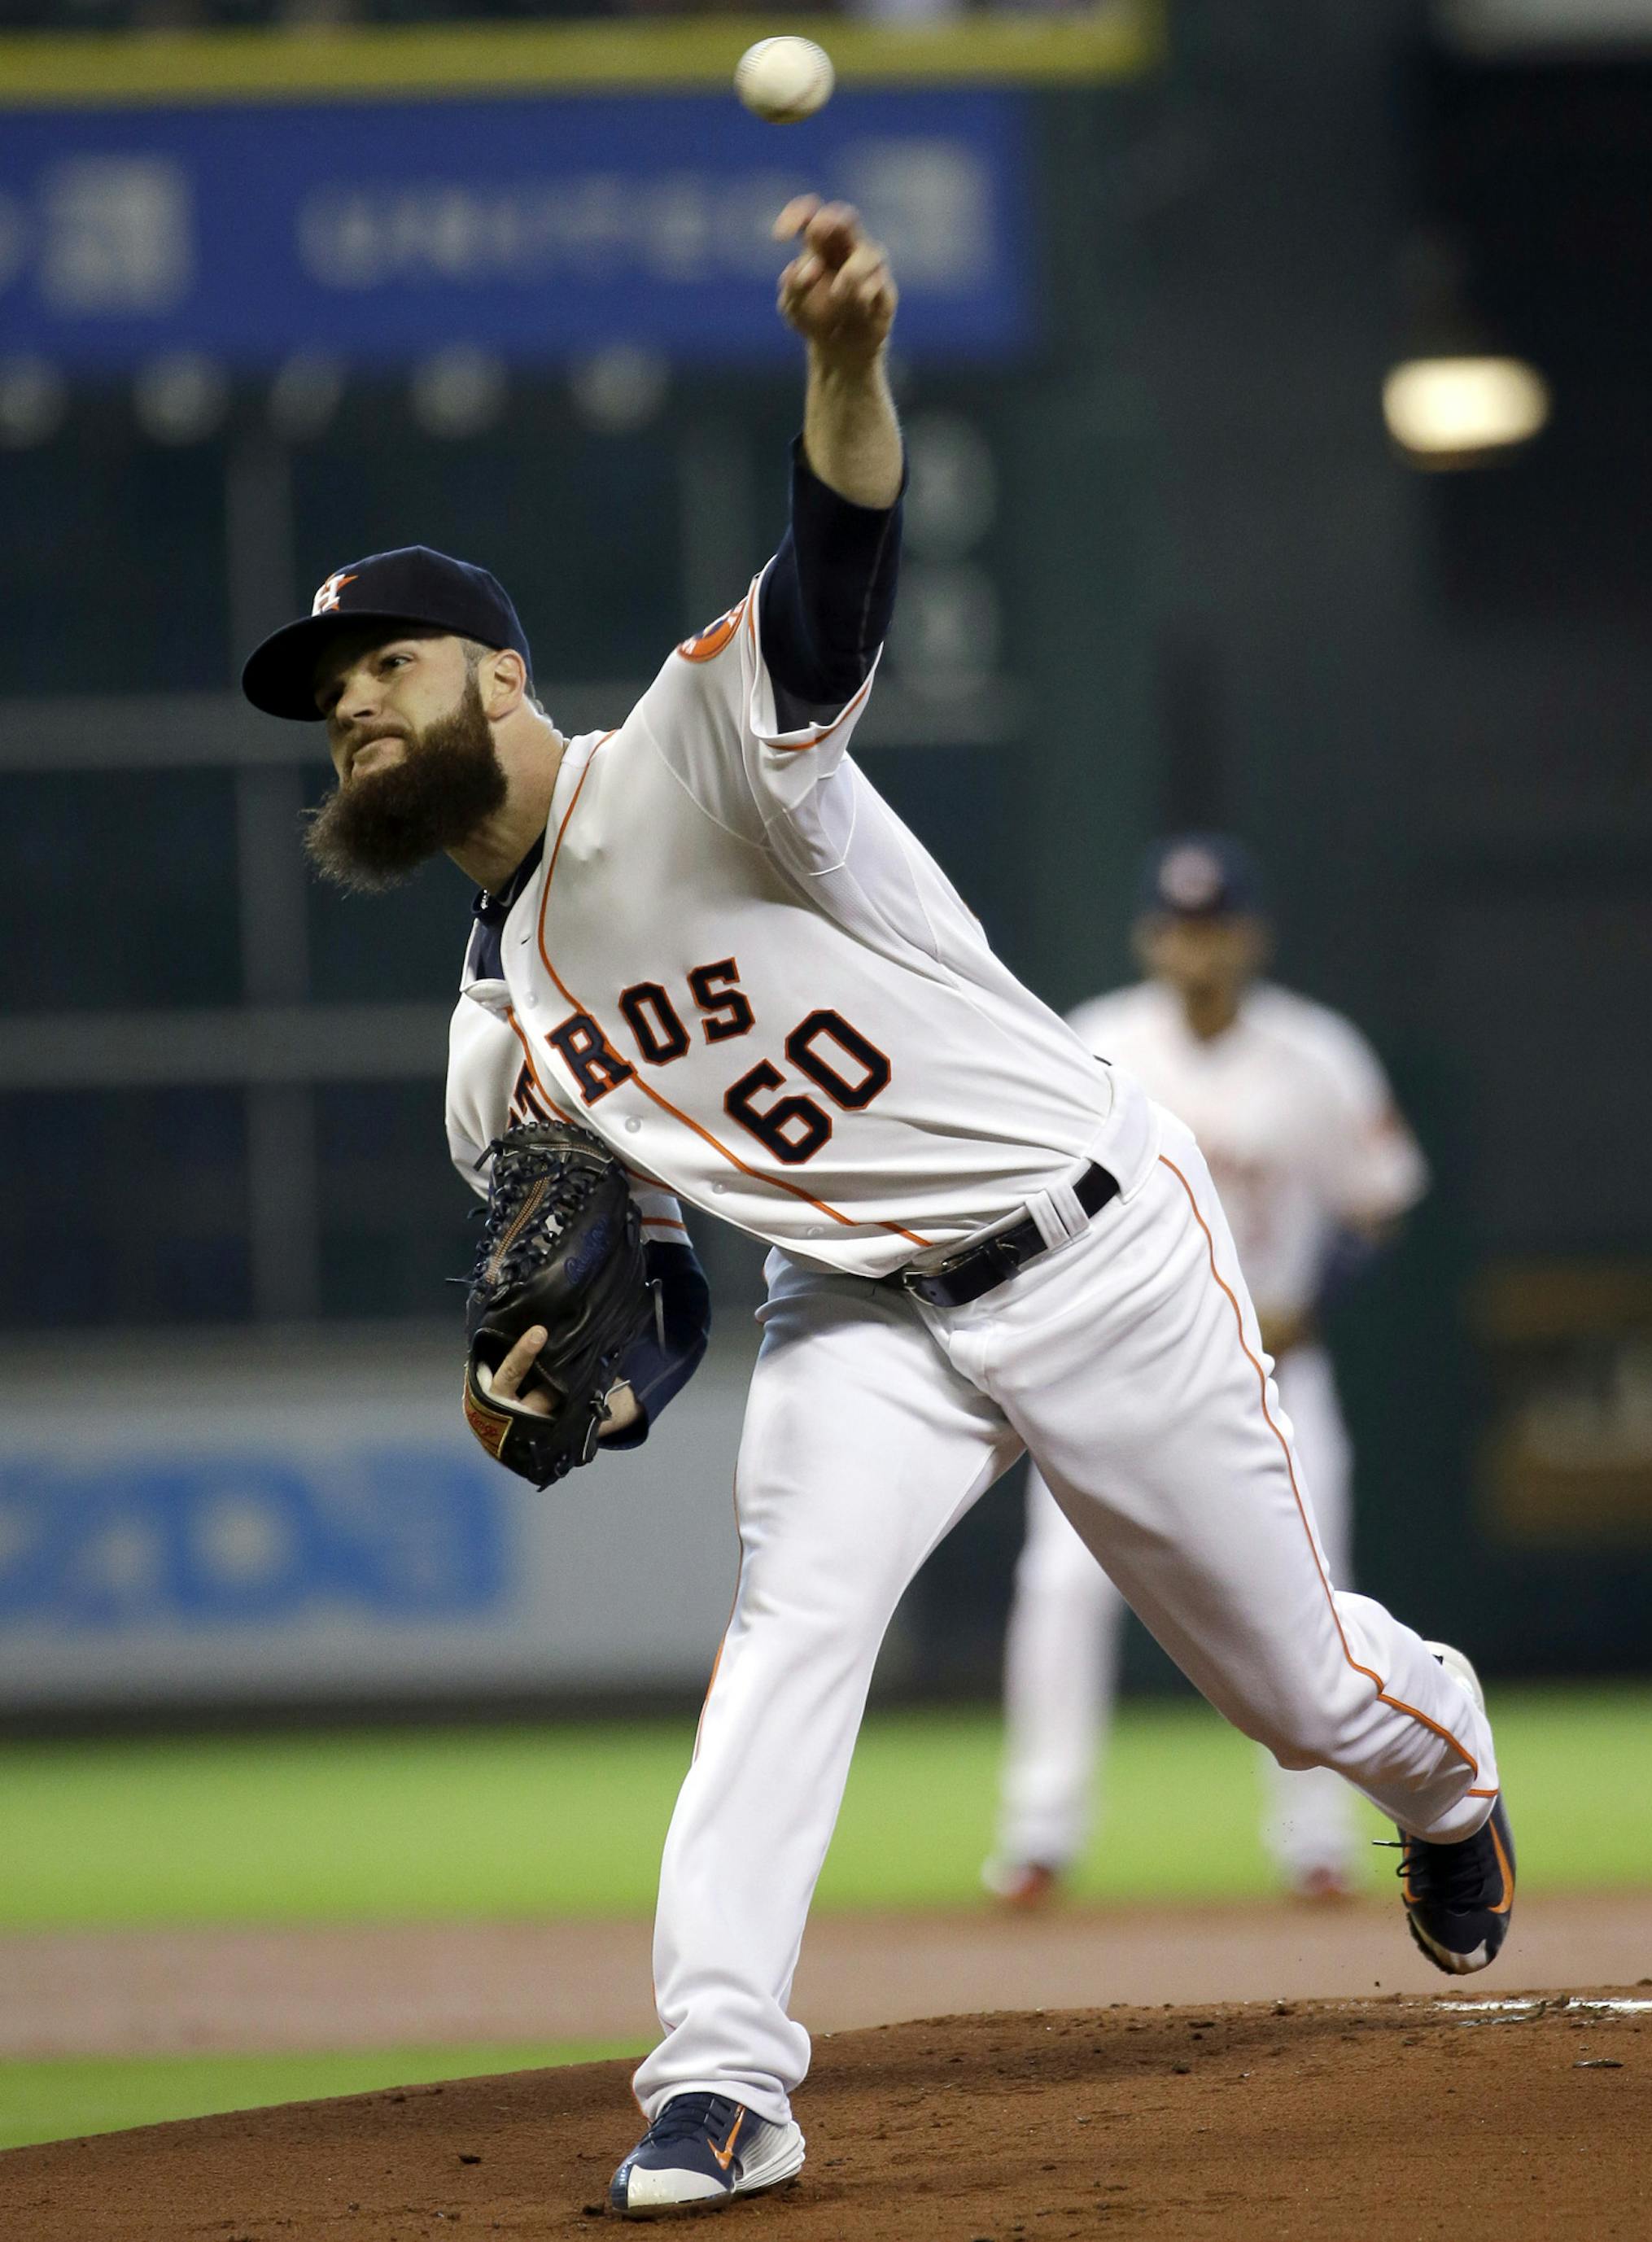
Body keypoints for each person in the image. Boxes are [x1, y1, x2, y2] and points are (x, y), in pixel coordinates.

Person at [241, 195, 1514, 2222]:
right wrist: (617, 1392)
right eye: (328, 697)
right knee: (788, 1631)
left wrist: (846, 363)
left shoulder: (693, 753)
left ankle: (1441, 1766)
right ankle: (723, 2079)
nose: (354, 709)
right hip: (859, 1315)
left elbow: (835, 572)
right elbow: (645, 1280)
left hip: (1093, 1238)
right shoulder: (496, 1040)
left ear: (500, 670)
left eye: (386, 664)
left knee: (1295, 1694)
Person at [986, 834, 1429, 1908]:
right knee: (1063, 1587)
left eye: (1216, 925)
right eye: (1182, 927)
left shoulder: (1319, 1054)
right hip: (1114, 1382)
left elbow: (1380, 1200)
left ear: (1251, 935)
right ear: (1151, 936)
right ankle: (1040, 1833)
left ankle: (1316, 1838)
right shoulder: (1095, 1044)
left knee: (1313, 1597)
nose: (1199, 948)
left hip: (1276, 1378)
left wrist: (1314, 1300)